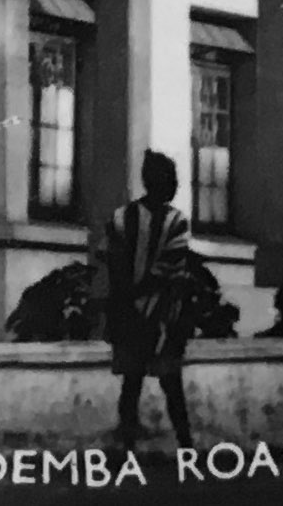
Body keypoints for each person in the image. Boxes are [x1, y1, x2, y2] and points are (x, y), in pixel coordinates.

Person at [104, 150, 197, 450]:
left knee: (131, 383)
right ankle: (186, 446)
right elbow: (171, 268)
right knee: (171, 384)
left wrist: (127, 297)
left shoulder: (121, 217)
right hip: (163, 317)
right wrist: (147, 298)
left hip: (128, 313)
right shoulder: (177, 222)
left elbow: (112, 261)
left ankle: (127, 448)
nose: (175, 185)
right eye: (171, 179)